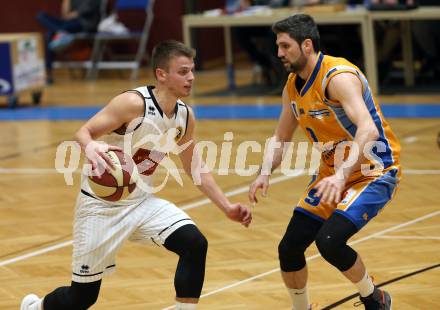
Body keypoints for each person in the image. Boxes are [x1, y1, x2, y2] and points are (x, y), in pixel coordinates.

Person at [21, 40, 252, 310]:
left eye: (192, 71)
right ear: (161, 75)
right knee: (82, 297)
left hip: (142, 203)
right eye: (183, 71)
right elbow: (83, 132)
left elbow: (194, 168)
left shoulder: (184, 116)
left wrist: (227, 207)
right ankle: (36, 308)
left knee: (194, 243)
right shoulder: (132, 104)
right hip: (100, 208)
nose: (191, 77)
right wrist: (91, 145)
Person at [249, 14, 400, 310]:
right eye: (277, 46)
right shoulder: (293, 87)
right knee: (289, 248)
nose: (279, 53)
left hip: (374, 171)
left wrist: (342, 175)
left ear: (307, 45)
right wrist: (263, 173)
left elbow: (368, 129)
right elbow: (280, 138)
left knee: (329, 241)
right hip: (332, 175)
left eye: (285, 46)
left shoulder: (338, 77)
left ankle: (375, 298)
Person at [36, 0, 102, 82]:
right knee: (41, 16)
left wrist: (69, 16)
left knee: (50, 35)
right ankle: (60, 31)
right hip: (67, 23)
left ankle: (48, 73)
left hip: (83, 23)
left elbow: (85, 11)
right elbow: (64, 14)